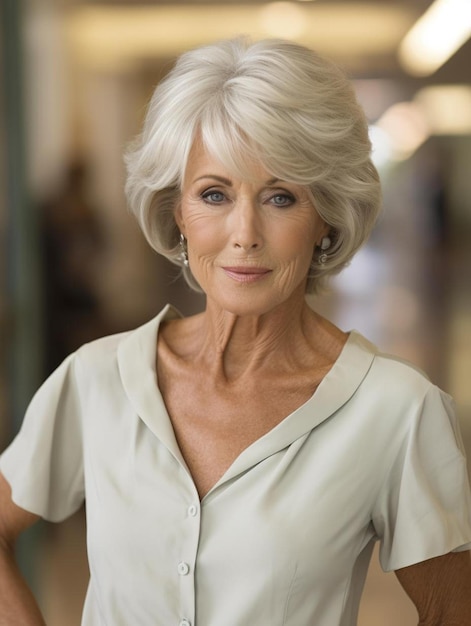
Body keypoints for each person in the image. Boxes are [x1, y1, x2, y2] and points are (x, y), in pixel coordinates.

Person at [1, 37, 470, 626]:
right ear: (178, 212)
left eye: (280, 197)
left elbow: (453, 610)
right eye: (214, 194)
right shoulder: (97, 379)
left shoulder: (397, 411)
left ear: (325, 216)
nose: (244, 233)